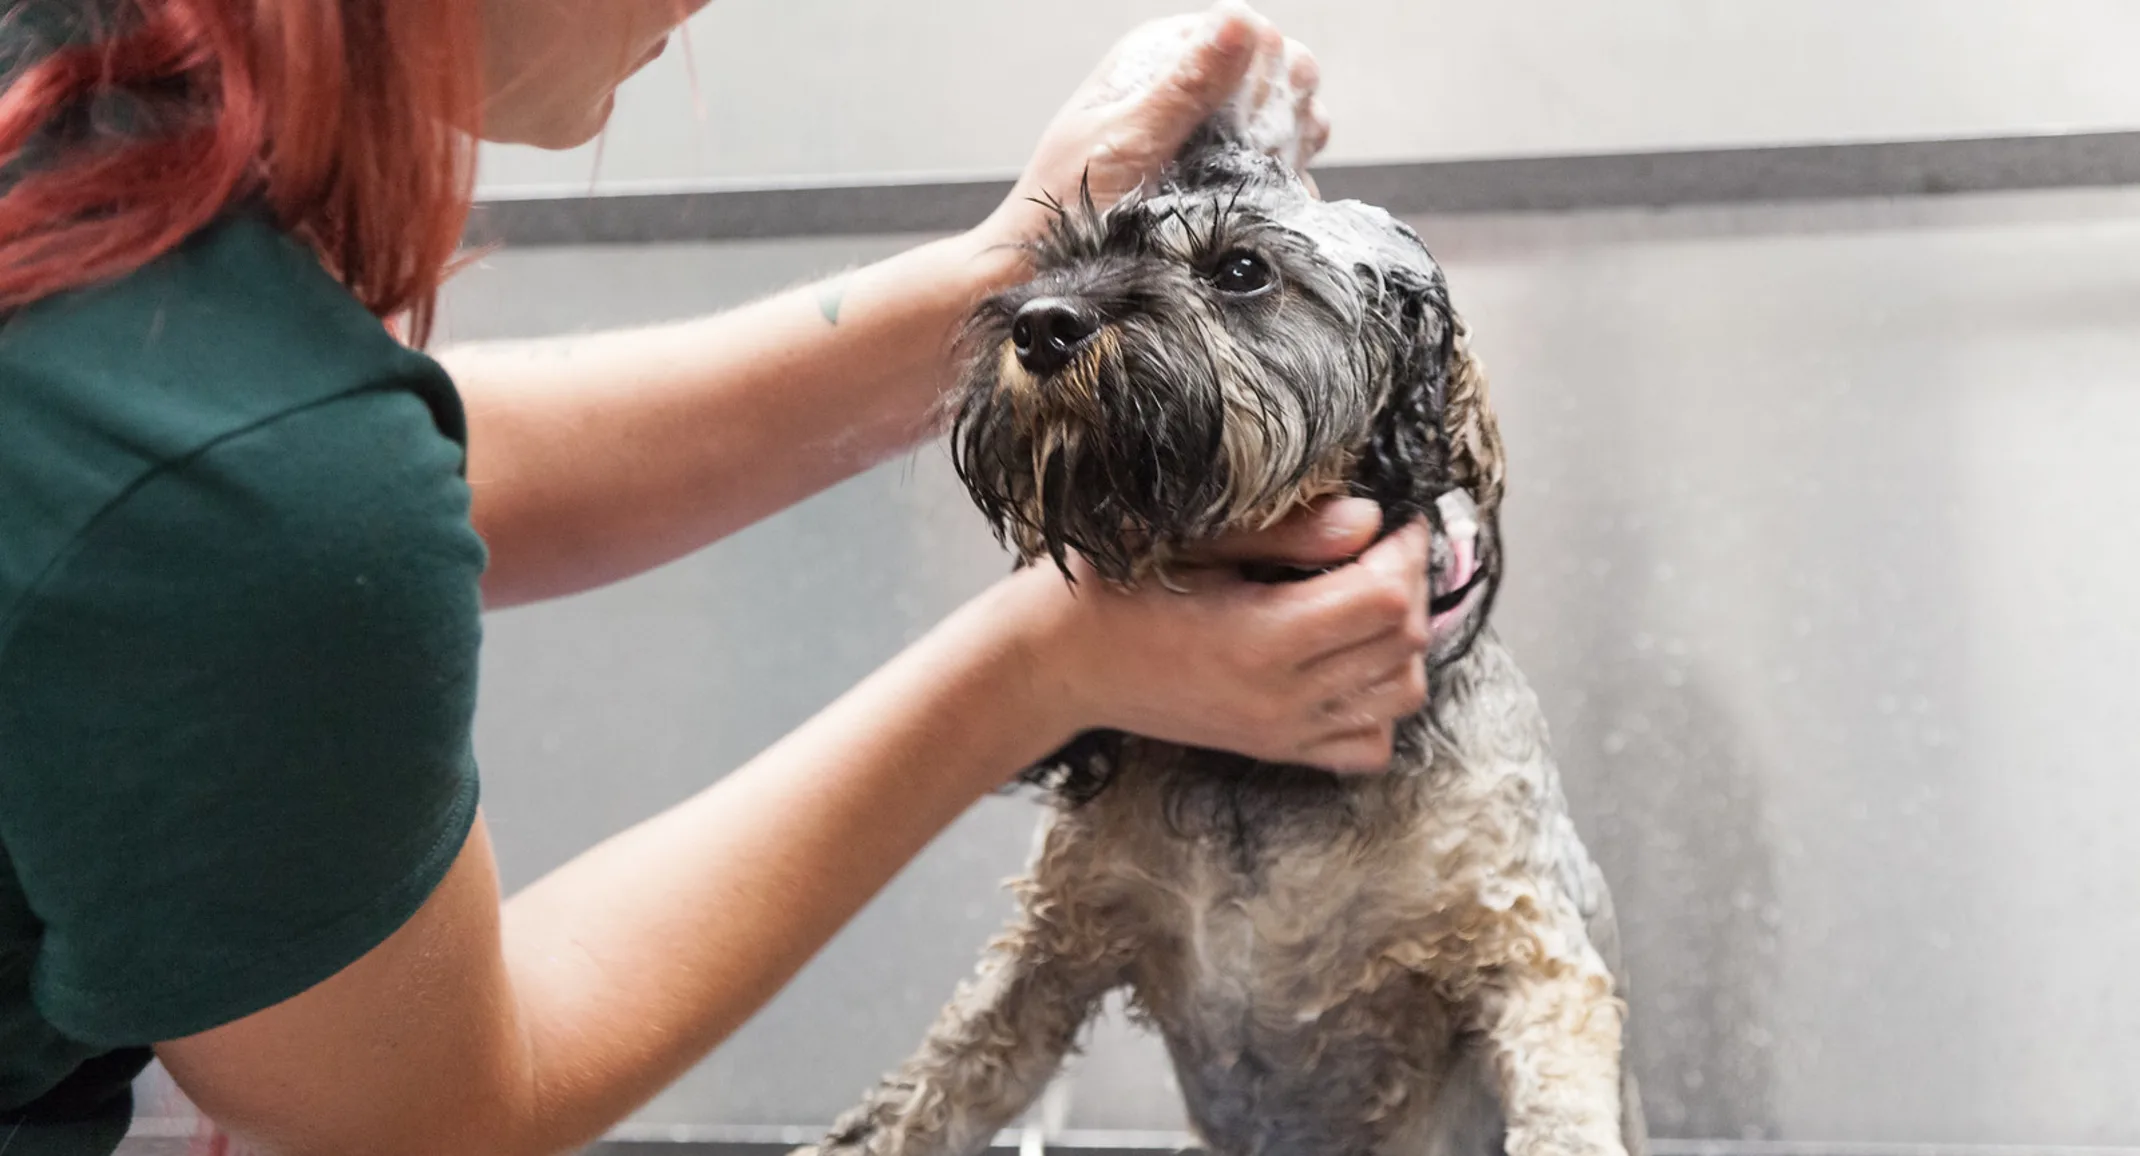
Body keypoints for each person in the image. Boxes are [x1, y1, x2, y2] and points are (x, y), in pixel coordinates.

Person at [0, 0, 1436, 1152]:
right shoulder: (222, 459)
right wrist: (1049, 665)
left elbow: (327, 473)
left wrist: (1005, 272)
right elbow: (426, 1113)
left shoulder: (70, 116)